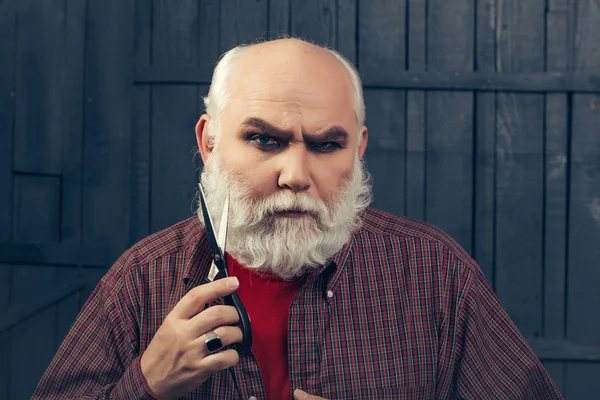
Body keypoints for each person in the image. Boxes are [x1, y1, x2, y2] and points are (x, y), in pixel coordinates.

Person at [33, 38, 563, 400]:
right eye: (265, 139)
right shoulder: (142, 282)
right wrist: (146, 385)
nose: (295, 174)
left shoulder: (436, 276)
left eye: (327, 144)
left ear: (357, 150)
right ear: (208, 142)